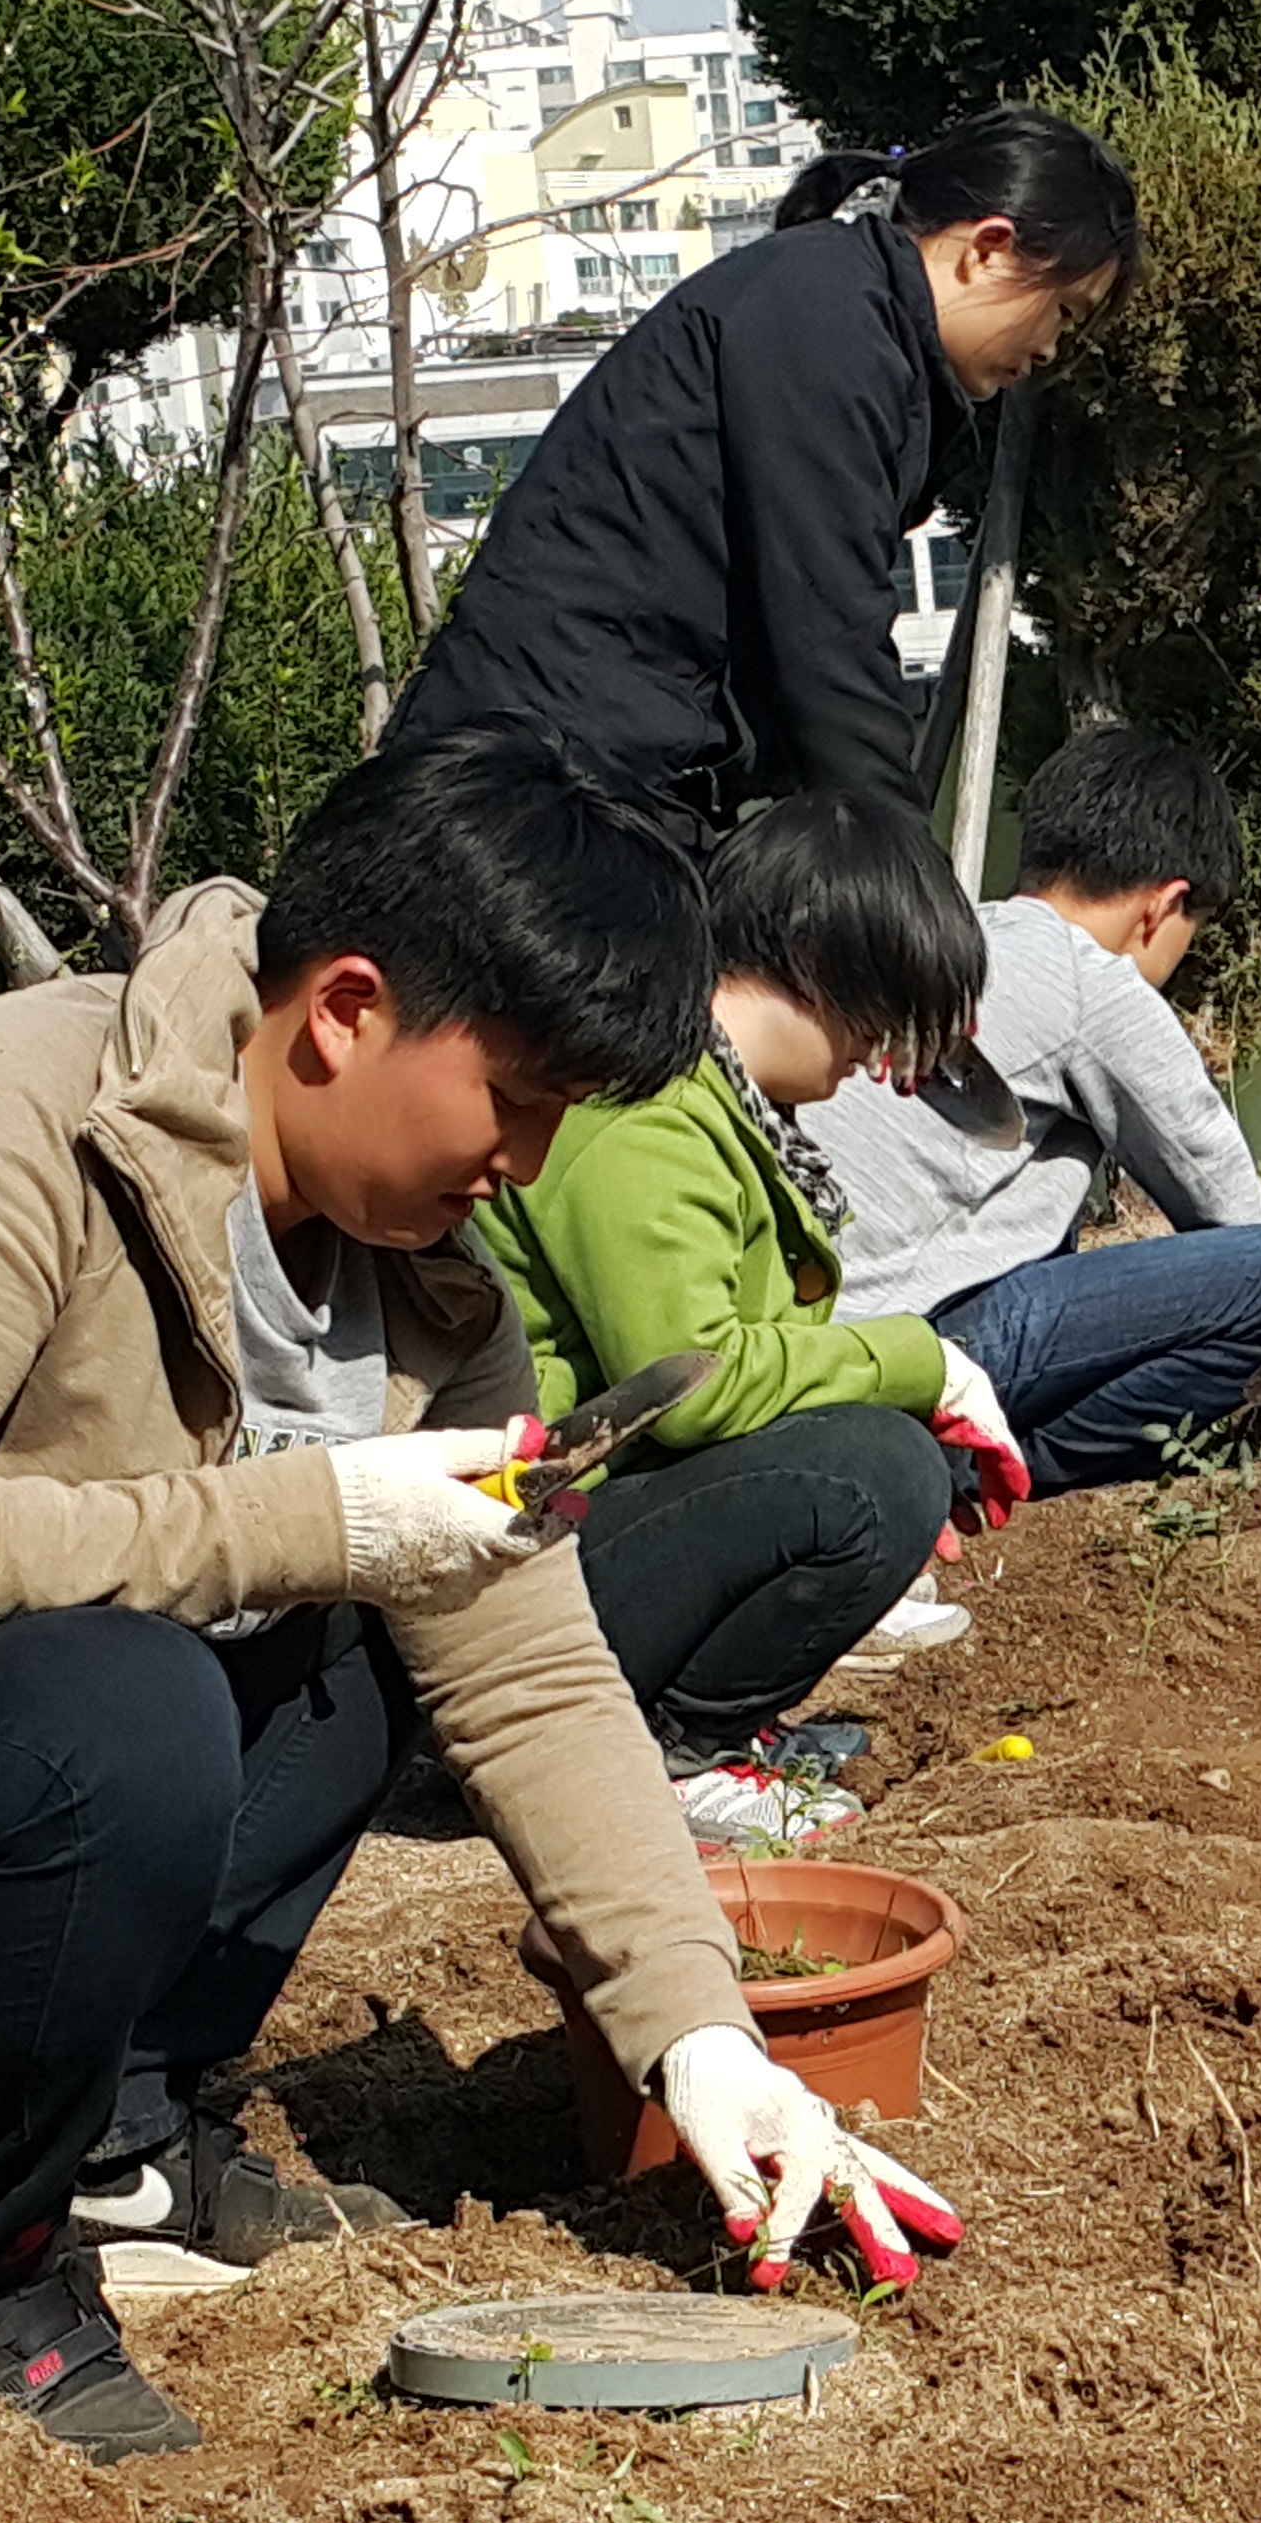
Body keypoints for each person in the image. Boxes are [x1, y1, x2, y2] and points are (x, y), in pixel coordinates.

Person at [0, 730, 961, 2466]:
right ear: (346, 1010)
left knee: (391, 1602)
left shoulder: (431, 1297)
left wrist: (700, 2035)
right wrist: (307, 1517)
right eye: (515, 1100)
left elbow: (531, 1676)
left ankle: (119, 2134)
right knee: (136, 1688)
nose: (525, 1165)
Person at [474, 789, 1036, 1843]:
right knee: (872, 1472)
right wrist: (922, 1368)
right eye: (879, 1014)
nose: (877, 1058)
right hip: (521, 1552)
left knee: (871, 1461)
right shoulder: (646, 1108)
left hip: (579, 1520)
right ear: (814, 961)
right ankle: (675, 1753)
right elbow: (687, 1379)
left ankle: (704, 1728)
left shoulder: (716, 1102)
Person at [392, 108, 1140, 828]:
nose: (1052, 349)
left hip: (594, 767)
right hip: (529, 788)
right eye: (1064, 311)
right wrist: (904, 874)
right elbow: (830, 644)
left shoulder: (848, 310)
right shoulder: (832, 323)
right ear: (989, 248)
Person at [791, 725, 1261, 1487]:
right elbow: (1236, 1217)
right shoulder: (1088, 981)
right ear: (1163, 906)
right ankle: (998, 1465)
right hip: (901, 1347)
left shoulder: (956, 943)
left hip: (809, 1346)